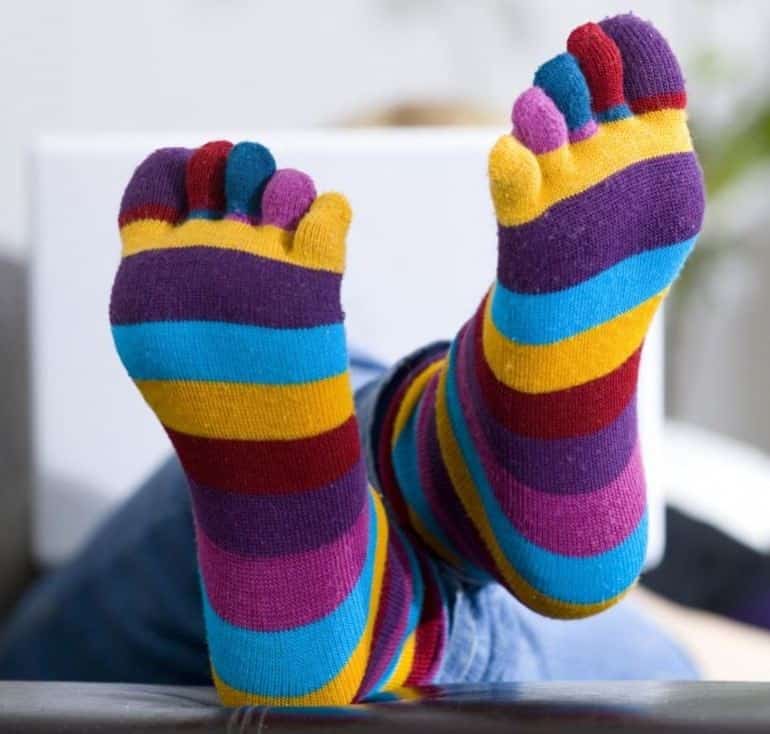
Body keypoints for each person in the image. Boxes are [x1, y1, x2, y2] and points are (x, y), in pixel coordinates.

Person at [0, 13, 702, 704]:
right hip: (219, 559)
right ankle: (444, 447)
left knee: (298, 439)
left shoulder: (701, 536)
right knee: (306, 424)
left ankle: (421, 485)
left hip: (174, 614)